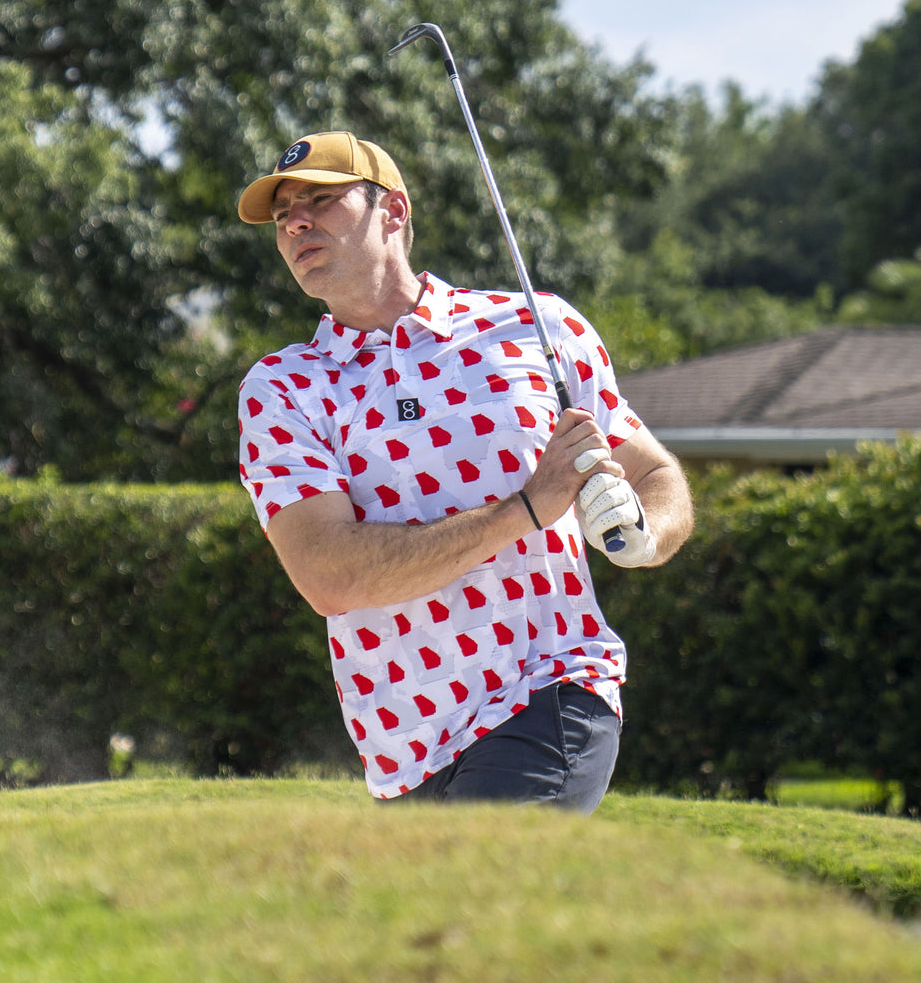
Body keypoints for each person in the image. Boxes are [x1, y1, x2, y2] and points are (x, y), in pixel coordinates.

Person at [236, 130, 693, 811]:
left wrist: (644, 533)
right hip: (402, 743)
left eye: (321, 201)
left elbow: (654, 472)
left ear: (393, 211)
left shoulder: (538, 329)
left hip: (549, 688)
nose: (297, 222)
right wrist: (524, 511)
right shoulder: (284, 387)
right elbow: (331, 575)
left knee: (491, 907)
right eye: (283, 216)